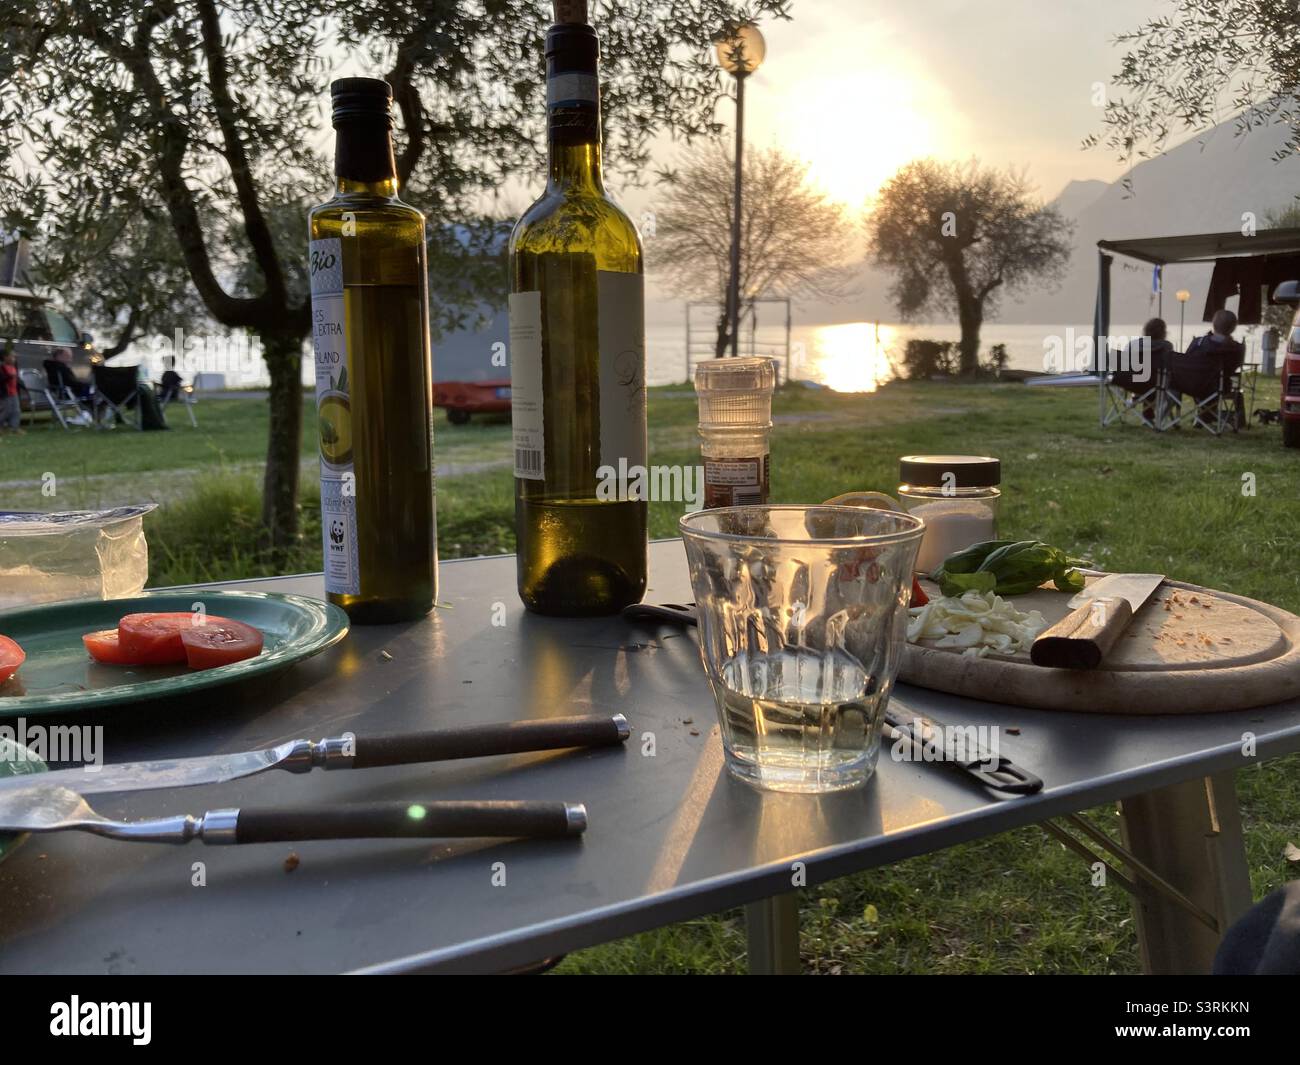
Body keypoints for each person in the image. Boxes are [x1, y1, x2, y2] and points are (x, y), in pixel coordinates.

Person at [1177, 309, 1246, 427]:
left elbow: (1187, 361)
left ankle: (1204, 415)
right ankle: (1211, 416)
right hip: (1221, 386)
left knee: (1202, 382)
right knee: (1234, 391)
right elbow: (1235, 367)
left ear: (1213, 324)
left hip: (1193, 384)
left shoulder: (1198, 343)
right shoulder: (1237, 349)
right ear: (1234, 327)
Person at [1117, 318, 1175, 425]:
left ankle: (1136, 400)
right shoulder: (1167, 346)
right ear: (1164, 332)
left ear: (1145, 330)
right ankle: (1153, 417)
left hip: (1131, 384)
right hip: (1156, 385)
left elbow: (1122, 367)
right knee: (1164, 384)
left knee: (1146, 379)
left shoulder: (1133, 344)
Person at [0, 342, 22, 434]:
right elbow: (1, 379)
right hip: (6, 393)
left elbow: (17, 380)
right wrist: (9, 377)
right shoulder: (2, 367)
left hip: (14, 392)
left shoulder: (13, 367)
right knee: (7, 410)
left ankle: (14, 427)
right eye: (12, 356)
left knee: (16, 410)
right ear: (5, 357)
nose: (14, 358)